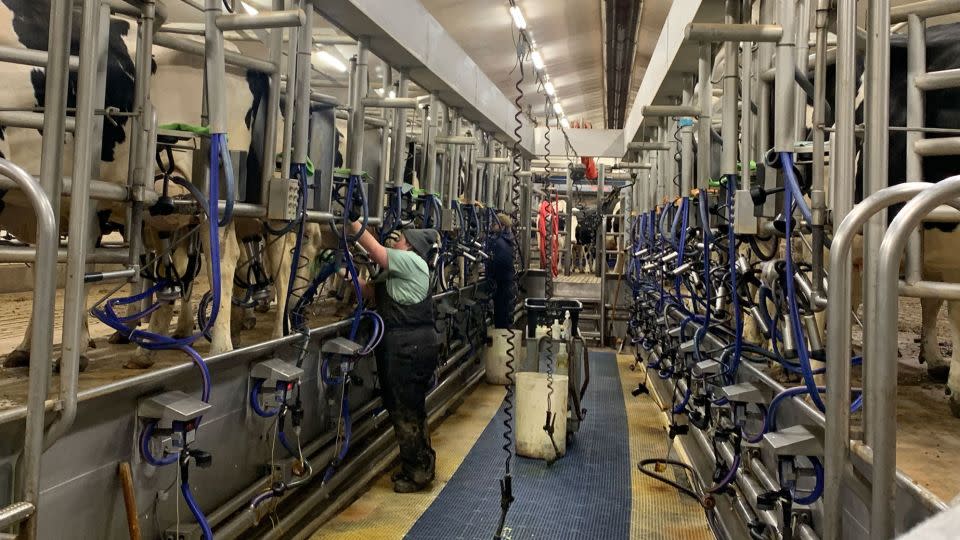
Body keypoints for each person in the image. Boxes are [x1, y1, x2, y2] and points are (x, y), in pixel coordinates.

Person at [348, 220, 442, 493]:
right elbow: (372, 293)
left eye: (399, 239)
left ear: (410, 245)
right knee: (412, 409)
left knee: (405, 411)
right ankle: (422, 463)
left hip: (408, 349)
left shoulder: (412, 261)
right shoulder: (401, 271)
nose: (395, 241)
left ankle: (417, 474)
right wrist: (348, 274)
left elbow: (376, 251)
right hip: (407, 348)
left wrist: (354, 222)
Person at [486, 213, 517, 329]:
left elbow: (495, 264)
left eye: (494, 224)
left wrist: (489, 278)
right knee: (505, 316)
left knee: (501, 317)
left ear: (501, 226)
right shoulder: (508, 239)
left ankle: (502, 343)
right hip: (508, 283)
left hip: (501, 285)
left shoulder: (497, 242)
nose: (491, 226)